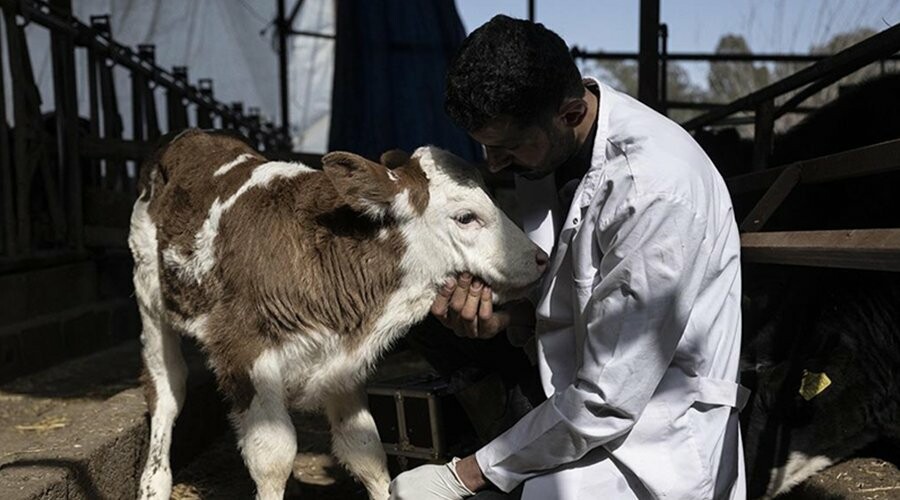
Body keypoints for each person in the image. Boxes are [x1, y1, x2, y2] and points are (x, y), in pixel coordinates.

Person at [389, 14, 747, 500]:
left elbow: (608, 400)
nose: (494, 164)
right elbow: (572, 283)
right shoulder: (553, 145)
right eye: (485, 146)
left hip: (648, 428)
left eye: (509, 146)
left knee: (547, 494)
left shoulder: (655, 192)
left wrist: (463, 476)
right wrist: (510, 318)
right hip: (569, 383)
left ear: (572, 113)